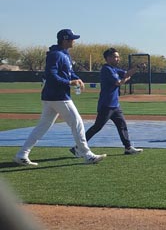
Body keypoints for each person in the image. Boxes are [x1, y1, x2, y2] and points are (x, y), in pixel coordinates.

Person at [13, 29, 106, 166]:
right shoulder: (56, 54)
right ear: (65, 39)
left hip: (52, 96)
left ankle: (22, 154)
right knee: (77, 123)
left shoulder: (64, 54)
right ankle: (87, 154)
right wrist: (69, 82)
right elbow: (51, 75)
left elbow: (69, 72)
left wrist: (76, 78)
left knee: (42, 127)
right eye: (72, 39)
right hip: (58, 96)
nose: (74, 41)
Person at [71, 48, 143, 157]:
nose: (118, 59)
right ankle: (78, 147)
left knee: (122, 125)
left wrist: (137, 68)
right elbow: (118, 82)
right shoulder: (107, 69)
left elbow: (126, 74)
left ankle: (128, 148)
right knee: (97, 127)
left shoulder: (114, 69)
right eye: (115, 57)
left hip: (115, 105)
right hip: (106, 104)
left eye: (118, 56)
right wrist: (125, 79)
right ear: (108, 58)